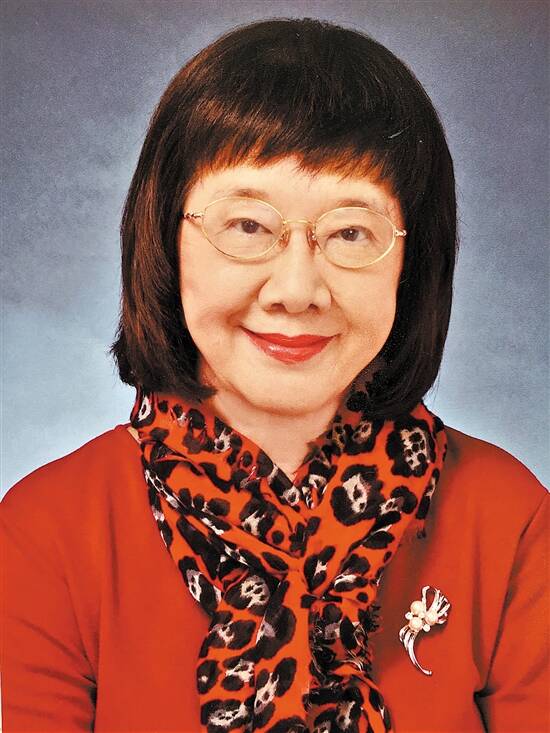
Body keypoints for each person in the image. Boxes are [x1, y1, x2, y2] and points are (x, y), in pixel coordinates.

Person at [1, 17, 547, 733]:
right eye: (248, 226)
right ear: (165, 237)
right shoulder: (48, 529)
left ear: (411, 264)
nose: (297, 290)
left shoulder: (509, 517)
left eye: (351, 232)